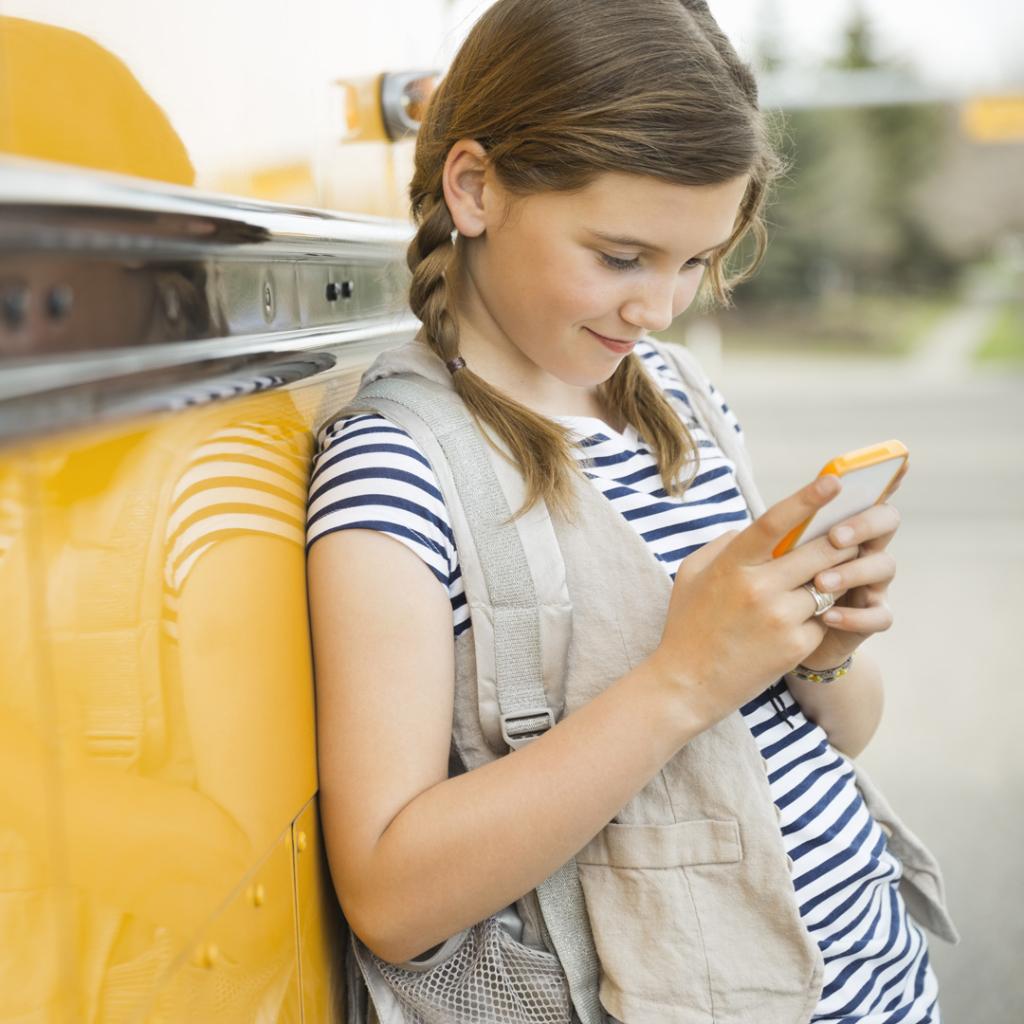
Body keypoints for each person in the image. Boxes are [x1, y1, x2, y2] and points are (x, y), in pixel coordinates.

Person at [305, 1, 957, 1021]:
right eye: (620, 258)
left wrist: (818, 643)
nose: (658, 307)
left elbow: (840, 732)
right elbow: (391, 897)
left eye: (695, 261)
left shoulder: (671, 389)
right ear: (473, 187)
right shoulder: (397, 474)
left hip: (879, 983)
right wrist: (686, 676)